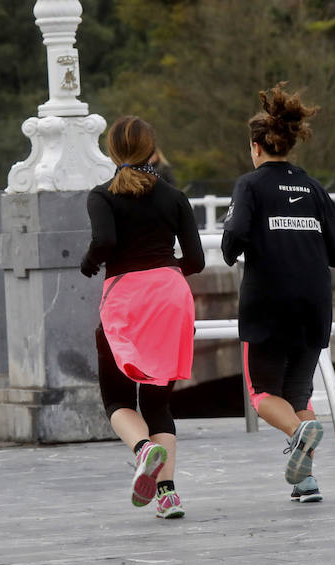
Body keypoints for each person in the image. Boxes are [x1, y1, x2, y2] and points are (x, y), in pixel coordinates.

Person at [221, 83, 335, 502]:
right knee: (298, 393)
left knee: (262, 396)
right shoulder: (314, 188)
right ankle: (306, 481)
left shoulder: (250, 185)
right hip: (315, 304)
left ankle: (298, 433)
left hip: (268, 303)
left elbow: (235, 235)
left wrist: (233, 248)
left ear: (257, 146)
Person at [80, 116, 205, 518]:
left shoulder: (101, 196)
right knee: (158, 400)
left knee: (117, 396)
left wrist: (89, 263)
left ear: (112, 152)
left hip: (126, 299)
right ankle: (167, 495)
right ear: (152, 148)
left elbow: (106, 241)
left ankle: (142, 449)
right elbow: (198, 261)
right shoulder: (174, 196)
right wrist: (164, 273)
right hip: (171, 297)